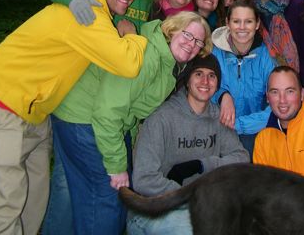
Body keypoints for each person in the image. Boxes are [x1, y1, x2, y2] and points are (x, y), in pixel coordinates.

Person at [0, 0, 148, 235]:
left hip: (34, 112)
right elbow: (128, 63)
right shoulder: (89, 14)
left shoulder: (88, 5)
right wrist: (133, 34)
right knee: (5, 204)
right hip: (4, 104)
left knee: (33, 200)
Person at [43, 12, 212, 235]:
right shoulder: (149, 57)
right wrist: (116, 167)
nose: (191, 44)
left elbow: (130, 110)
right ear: (172, 30)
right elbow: (108, 112)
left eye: (198, 41)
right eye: (187, 35)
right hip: (84, 120)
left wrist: (129, 145)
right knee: (108, 200)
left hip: (88, 118)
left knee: (75, 192)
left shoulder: (168, 64)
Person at [127, 54, 250, 235]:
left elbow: (241, 158)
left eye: (211, 76)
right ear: (187, 81)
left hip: (199, 206)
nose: (205, 81)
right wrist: (191, 195)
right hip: (153, 209)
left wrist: (203, 164)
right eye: (198, 74)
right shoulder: (161, 118)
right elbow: (143, 180)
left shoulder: (218, 117)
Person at [211, 0, 276, 157]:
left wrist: (238, 125)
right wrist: (222, 95)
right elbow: (202, 88)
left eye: (248, 21)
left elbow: (277, 105)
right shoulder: (214, 53)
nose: (242, 27)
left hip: (254, 129)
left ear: (257, 24)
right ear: (227, 23)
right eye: (236, 21)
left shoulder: (266, 56)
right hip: (217, 128)